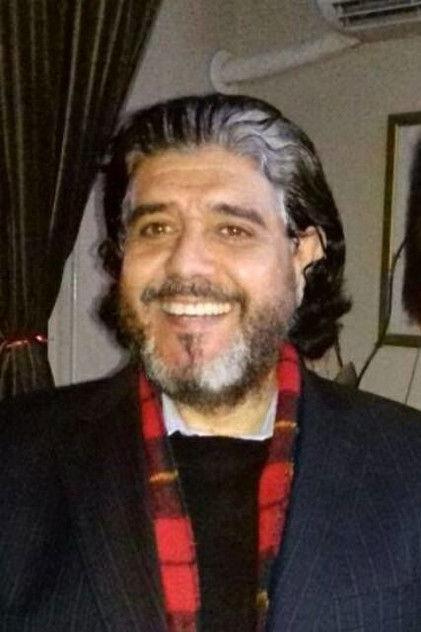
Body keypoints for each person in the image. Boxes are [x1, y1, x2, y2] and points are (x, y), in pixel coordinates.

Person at [1, 94, 421, 632]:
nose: (185, 265)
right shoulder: (15, 458)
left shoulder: (409, 466)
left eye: (233, 230)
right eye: (156, 228)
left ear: (303, 254)